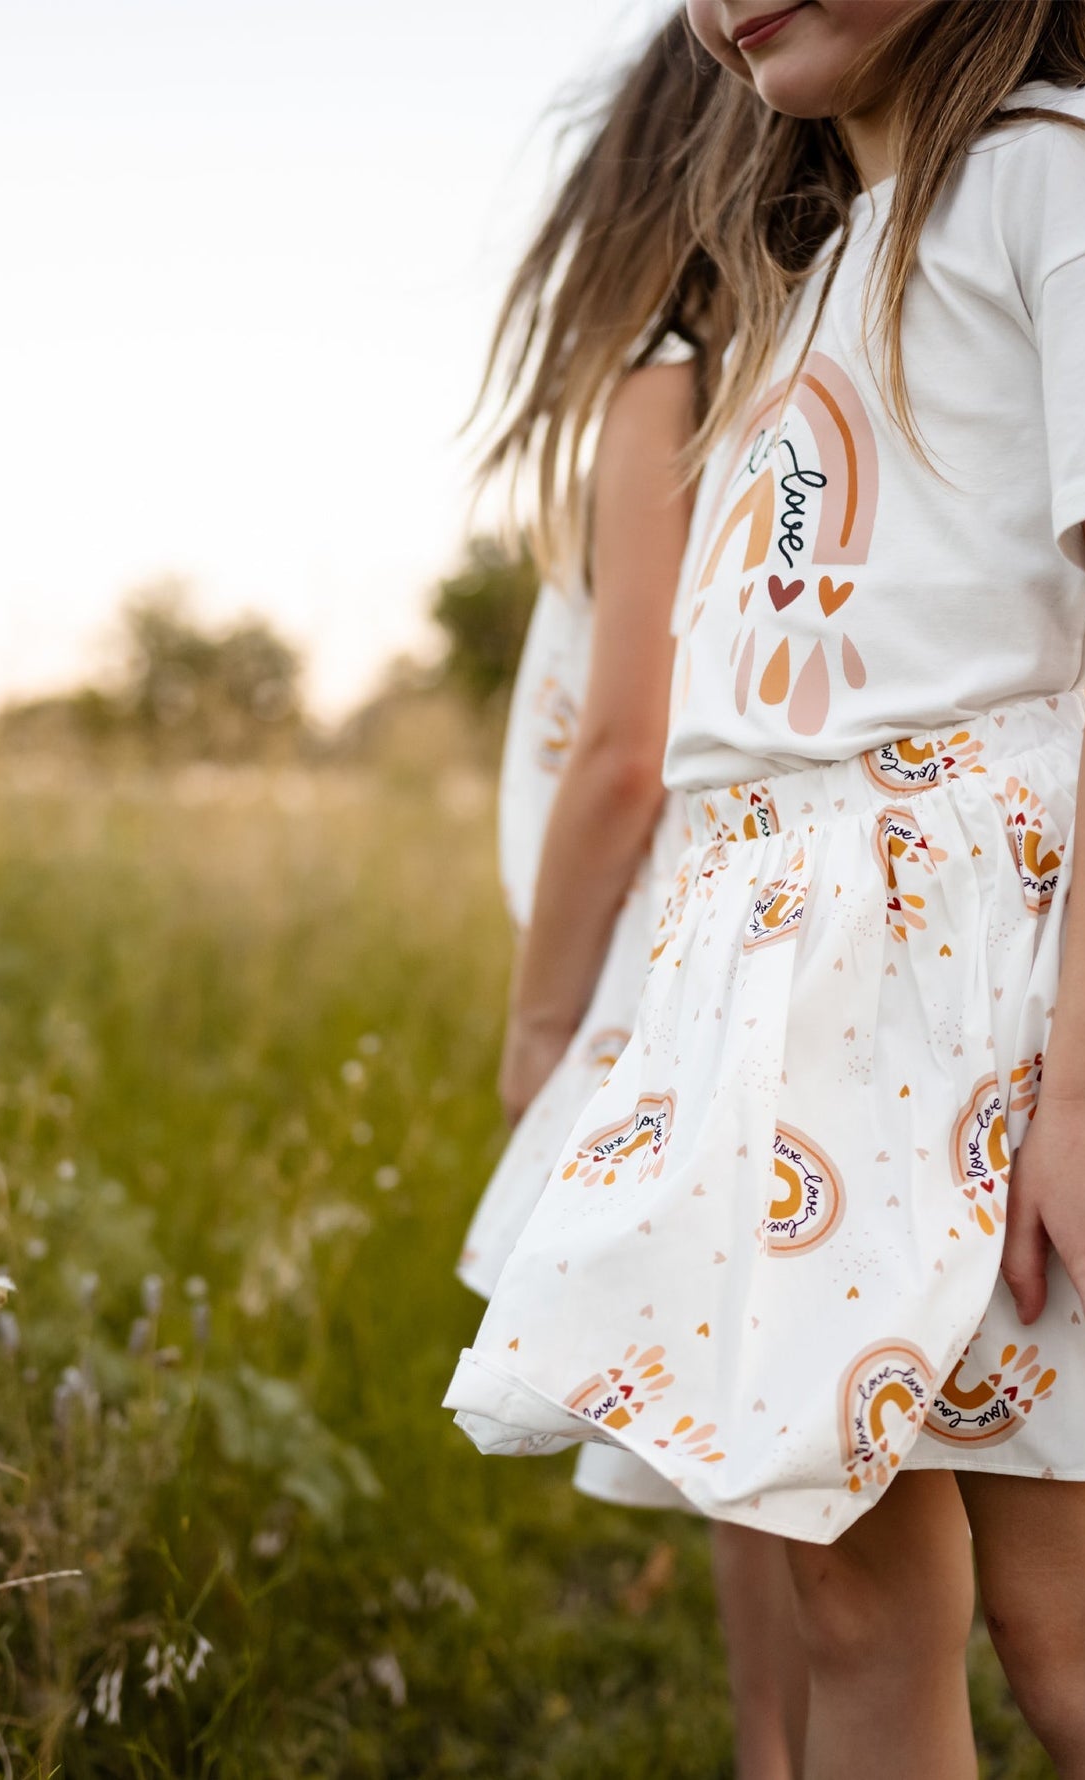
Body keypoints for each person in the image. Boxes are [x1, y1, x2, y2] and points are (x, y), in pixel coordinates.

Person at [449, 3, 1085, 1774]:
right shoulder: (804, 277)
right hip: (787, 995)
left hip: (975, 995)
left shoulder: (1075, 176)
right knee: (853, 1609)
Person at [452, 16, 807, 1776]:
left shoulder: (664, 379)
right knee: (825, 1416)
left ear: (630, 197)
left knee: (748, 1416)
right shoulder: (809, 373)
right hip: (788, 945)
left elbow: (626, 745)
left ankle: (776, 1757)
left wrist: (538, 1014)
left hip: (682, 978)